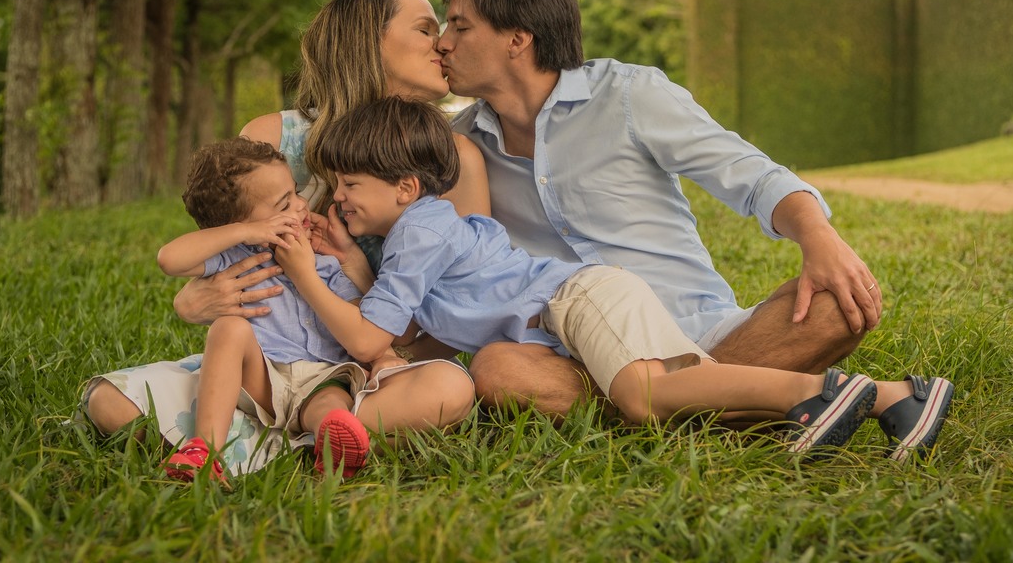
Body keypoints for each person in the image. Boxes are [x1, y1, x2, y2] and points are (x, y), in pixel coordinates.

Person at [436, 0, 944, 451]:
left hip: (708, 336)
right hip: (577, 358)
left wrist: (819, 237)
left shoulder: (629, 95)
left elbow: (754, 177)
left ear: (517, 39)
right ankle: (755, 401)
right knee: (498, 369)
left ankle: (671, 404)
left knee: (838, 304)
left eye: (460, 26)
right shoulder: (459, 149)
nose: (443, 42)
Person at [275, 97, 953, 461]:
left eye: (349, 184)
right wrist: (353, 262)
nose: (339, 199)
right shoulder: (419, 235)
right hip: (579, 313)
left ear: (405, 186)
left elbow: (371, 339)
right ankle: (893, 400)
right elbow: (407, 334)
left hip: (583, 300)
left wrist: (305, 272)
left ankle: (822, 395)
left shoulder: (419, 232)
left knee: (643, 395)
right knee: (662, 391)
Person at [81, 0, 487, 476]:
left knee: (449, 389)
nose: (442, 43)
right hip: (266, 369)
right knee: (108, 403)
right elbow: (224, 260)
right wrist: (192, 299)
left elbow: (464, 309)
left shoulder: (454, 158)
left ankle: (280, 438)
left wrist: (383, 354)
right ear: (367, 39)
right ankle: (303, 439)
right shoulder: (272, 137)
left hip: (372, 375)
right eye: (425, 29)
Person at [155, 136, 473, 482]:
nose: (301, 205)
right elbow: (170, 259)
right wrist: (244, 232)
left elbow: (360, 317)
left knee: (330, 406)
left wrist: (383, 358)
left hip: (323, 378)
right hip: (263, 377)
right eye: (284, 204)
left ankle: (333, 444)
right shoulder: (236, 258)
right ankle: (205, 450)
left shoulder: (323, 261)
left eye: (295, 193)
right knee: (228, 328)